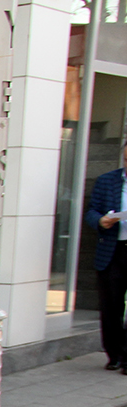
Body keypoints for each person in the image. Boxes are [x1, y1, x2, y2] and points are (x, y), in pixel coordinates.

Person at [84, 138, 127, 372]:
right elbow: (91, 211)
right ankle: (114, 354)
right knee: (111, 305)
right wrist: (101, 221)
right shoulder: (107, 180)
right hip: (113, 251)